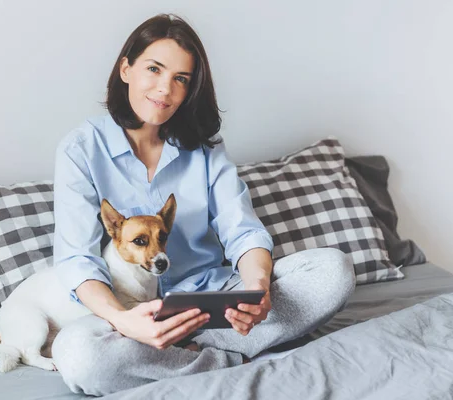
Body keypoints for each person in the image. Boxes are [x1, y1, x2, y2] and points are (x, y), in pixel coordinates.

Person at [51, 13, 356, 396]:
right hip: (129, 310)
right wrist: (123, 321)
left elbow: (241, 230)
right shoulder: (81, 150)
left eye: (181, 79)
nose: (166, 89)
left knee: (334, 270)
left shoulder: (205, 147)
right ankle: (229, 362)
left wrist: (256, 289)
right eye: (154, 69)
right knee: (79, 355)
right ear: (125, 69)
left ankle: (184, 356)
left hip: (212, 301)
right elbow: (77, 258)